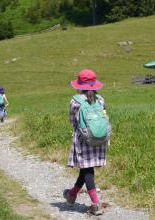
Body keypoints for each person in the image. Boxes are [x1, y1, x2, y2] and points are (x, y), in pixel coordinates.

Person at [63, 69, 107, 216]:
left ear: (79, 85)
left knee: (87, 170)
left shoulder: (75, 101)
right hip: (99, 139)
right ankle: (71, 194)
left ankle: (96, 204)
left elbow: (72, 122)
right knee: (86, 169)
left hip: (83, 140)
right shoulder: (100, 99)